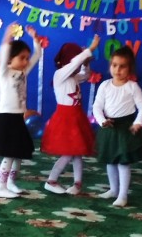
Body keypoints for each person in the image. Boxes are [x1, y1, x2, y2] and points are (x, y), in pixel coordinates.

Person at [0, 23, 41, 198]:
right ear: (9, 59)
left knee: (18, 154)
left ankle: (10, 182)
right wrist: (7, 37)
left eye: (26, 58)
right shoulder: (4, 72)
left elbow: (37, 55)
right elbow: (4, 52)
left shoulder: (23, 72)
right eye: (22, 58)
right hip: (5, 118)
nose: (26, 61)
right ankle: (0, 187)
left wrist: (35, 39)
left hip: (17, 118)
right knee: (9, 154)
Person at [41, 35, 100, 195]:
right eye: (77, 61)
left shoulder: (73, 77)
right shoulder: (59, 75)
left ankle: (77, 184)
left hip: (76, 118)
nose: (78, 66)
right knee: (68, 153)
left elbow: (85, 75)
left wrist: (86, 63)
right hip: (65, 120)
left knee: (77, 152)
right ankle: (51, 181)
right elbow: (74, 63)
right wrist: (90, 49)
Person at [92, 45, 142, 207]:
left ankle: (123, 195)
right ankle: (113, 189)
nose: (118, 70)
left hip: (126, 129)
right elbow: (97, 106)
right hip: (109, 127)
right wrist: (102, 120)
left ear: (130, 68)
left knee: (123, 162)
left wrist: (138, 123)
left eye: (122, 66)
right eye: (114, 65)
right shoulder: (105, 85)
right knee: (110, 161)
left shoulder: (132, 86)